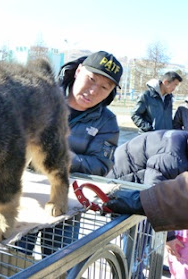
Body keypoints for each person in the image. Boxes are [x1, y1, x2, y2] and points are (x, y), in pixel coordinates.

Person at [17, 51, 123, 257]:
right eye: (91, 79)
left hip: (68, 199)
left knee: (59, 261)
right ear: (79, 71)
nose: (93, 91)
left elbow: (100, 165)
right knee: (14, 258)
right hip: (25, 193)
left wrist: (58, 157)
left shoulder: (107, 122)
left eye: (104, 87)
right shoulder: (41, 98)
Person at [107, 129, 188, 278]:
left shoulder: (182, 149)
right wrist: (169, 237)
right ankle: (132, 272)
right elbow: (154, 196)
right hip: (125, 182)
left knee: (146, 229)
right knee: (138, 233)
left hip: (140, 181)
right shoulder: (173, 158)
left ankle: (142, 264)